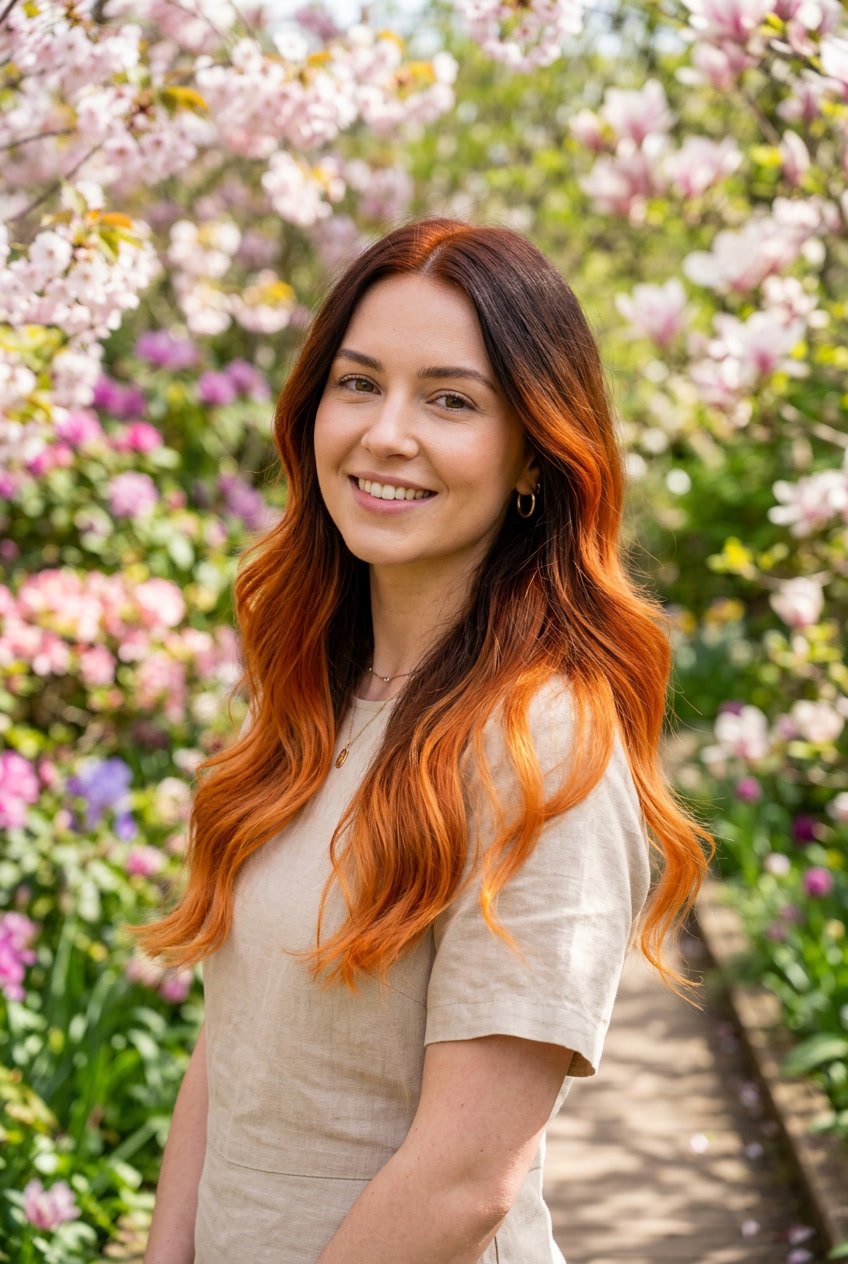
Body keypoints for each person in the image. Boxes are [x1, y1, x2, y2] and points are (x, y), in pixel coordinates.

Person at [137, 217, 714, 1264]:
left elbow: (464, 1182)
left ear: (535, 451)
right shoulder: (313, 694)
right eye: (358, 383)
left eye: (449, 399)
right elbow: (234, 1046)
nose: (385, 433)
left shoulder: (543, 746)